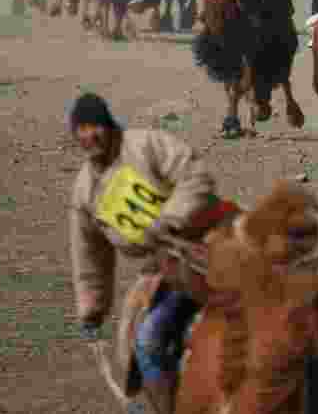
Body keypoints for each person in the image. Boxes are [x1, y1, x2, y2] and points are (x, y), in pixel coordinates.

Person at [67, 92, 223, 414]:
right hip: (166, 268)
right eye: (81, 129)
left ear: (108, 126)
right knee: (148, 342)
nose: (88, 135)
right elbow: (89, 254)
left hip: (214, 239)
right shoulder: (84, 191)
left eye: (94, 126)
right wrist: (91, 307)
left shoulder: (145, 145)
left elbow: (194, 175)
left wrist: (171, 219)